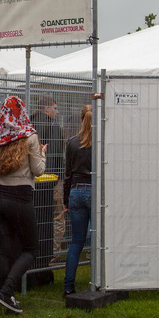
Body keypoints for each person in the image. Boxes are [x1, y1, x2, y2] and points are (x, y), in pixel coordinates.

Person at [0, 95, 46, 314]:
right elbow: (38, 170)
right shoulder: (29, 136)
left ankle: (4, 292)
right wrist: (44, 155)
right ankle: (7, 291)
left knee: (5, 248)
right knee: (31, 249)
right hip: (20, 197)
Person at [30, 95, 65, 264]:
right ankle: (53, 252)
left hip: (32, 177)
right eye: (55, 108)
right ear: (47, 109)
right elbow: (57, 153)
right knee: (57, 215)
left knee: (37, 215)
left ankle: (36, 251)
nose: (57, 112)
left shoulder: (29, 125)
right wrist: (58, 175)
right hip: (52, 176)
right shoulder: (53, 126)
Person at [62, 105, 93, 297]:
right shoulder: (99, 141)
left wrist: (66, 200)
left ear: (81, 120)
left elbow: (67, 174)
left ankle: (68, 286)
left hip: (75, 192)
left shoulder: (72, 142)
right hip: (94, 191)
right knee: (99, 241)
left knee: (76, 242)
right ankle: (99, 283)